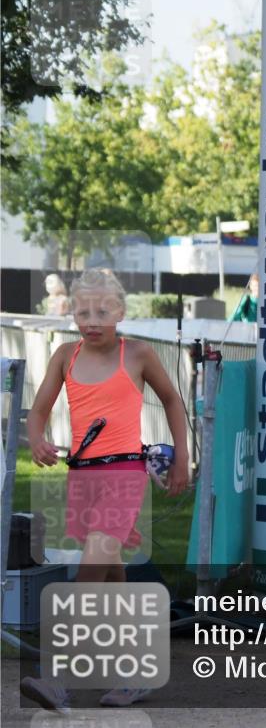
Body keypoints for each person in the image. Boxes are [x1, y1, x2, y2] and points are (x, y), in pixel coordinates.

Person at [21, 268, 190, 712]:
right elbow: (38, 410)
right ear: (71, 313)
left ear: (120, 311)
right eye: (83, 312)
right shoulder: (64, 356)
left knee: (89, 571)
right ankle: (136, 672)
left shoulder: (137, 354)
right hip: (82, 479)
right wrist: (37, 439)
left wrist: (183, 458)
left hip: (125, 475)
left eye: (102, 310)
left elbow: (173, 400)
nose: (92, 319)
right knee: (112, 576)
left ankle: (57, 677)